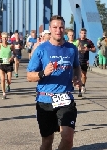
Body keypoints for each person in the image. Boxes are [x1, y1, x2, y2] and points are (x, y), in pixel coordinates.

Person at [27, 15, 82, 150]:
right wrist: (43, 73)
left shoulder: (71, 49)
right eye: (55, 27)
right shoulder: (41, 49)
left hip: (65, 98)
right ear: (50, 29)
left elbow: (76, 66)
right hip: (45, 99)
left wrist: (77, 77)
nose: (58, 30)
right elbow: (29, 76)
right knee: (47, 140)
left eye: (61, 27)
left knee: (68, 138)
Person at [0, 32, 15, 99]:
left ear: (7, 38)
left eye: (6, 38)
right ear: (1, 38)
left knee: (9, 80)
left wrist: (11, 58)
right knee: (2, 79)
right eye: (3, 38)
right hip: (1, 64)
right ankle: (3, 93)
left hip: (9, 64)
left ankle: (7, 85)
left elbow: (14, 54)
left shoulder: (10, 46)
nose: (5, 39)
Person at [78, 28, 96, 93]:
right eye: (82, 33)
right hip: (77, 60)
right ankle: (80, 89)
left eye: (84, 33)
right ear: (80, 34)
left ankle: (83, 85)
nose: (83, 34)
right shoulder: (77, 41)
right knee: (78, 75)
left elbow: (94, 49)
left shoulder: (88, 41)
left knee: (84, 75)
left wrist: (89, 49)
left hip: (85, 60)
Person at [67, 29, 82, 97]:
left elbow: (81, 49)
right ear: (68, 35)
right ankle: (68, 90)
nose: (71, 36)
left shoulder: (77, 41)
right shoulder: (66, 43)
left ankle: (79, 90)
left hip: (76, 61)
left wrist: (79, 48)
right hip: (69, 62)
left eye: (73, 35)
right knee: (69, 76)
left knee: (78, 76)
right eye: (70, 35)